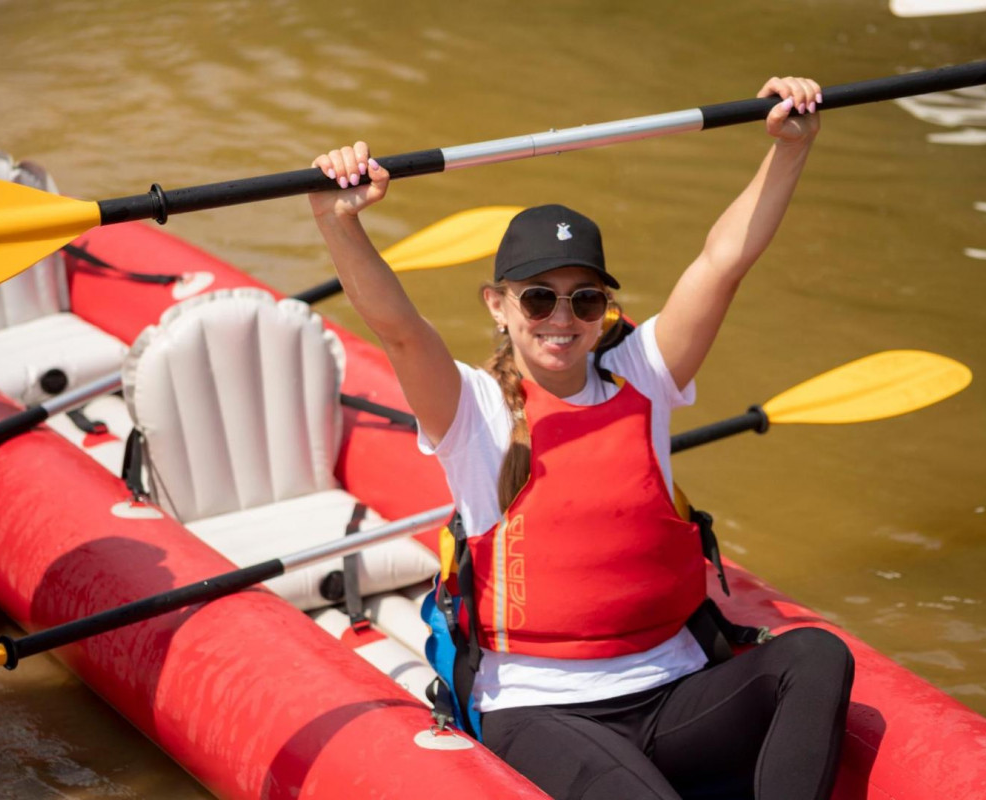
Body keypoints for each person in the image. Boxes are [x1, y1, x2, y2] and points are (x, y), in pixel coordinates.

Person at [309, 76, 854, 800]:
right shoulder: (474, 411)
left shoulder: (645, 377)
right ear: (498, 307)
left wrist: (789, 148)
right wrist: (338, 222)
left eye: (584, 298)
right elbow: (401, 333)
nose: (561, 318)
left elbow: (723, 263)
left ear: (604, 310)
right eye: (538, 298)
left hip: (672, 691)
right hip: (540, 709)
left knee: (815, 657)